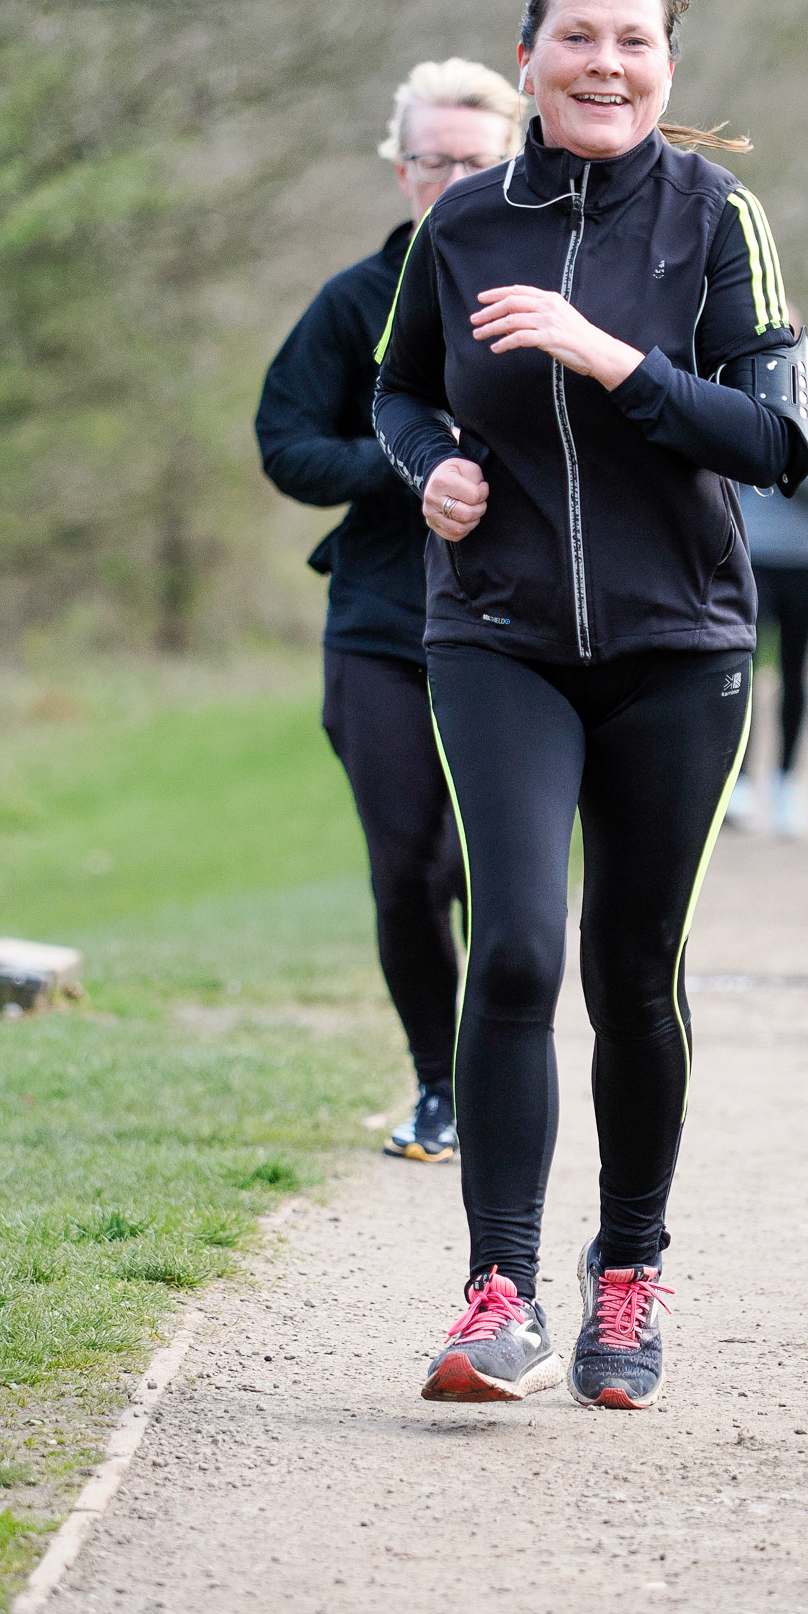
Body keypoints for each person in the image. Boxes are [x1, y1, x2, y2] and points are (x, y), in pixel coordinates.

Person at [373, 0, 808, 1409]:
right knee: (513, 948)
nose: (605, 64)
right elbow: (396, 391)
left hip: (679, 647)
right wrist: (431, 467)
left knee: (633, 970)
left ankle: (628, 1271)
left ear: (668, 65)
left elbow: (779, 440)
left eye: (634, 41)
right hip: (495, 635)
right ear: (529, 59)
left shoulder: (716, 216)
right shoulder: (463, 224)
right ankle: (497, 1292)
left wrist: (608, 356)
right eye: (578, 37)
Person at [256, 59, 523, 1162]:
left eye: (475, 161)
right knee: (409, 868)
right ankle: (439, 1084)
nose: (452, 180)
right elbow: (285, 444)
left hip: (518, 625)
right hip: (381, 621)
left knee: (486, 871)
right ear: (401, 169)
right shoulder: (354, 302)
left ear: (512, 161)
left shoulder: (552, 291)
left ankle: (508, 1071)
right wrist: (406, 460)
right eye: (432, 160)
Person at [725, 311, 808, 839]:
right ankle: (739, 781)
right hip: (748, 555)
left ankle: (787, 780)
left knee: (798, 672)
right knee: (740, 671)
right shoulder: (732, 388)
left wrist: (782, 458)